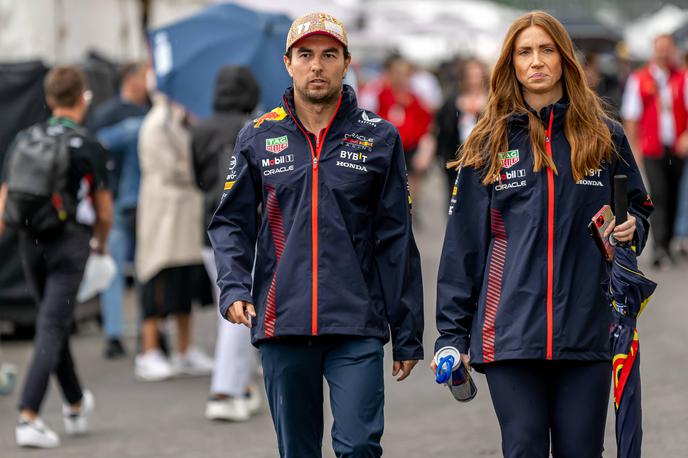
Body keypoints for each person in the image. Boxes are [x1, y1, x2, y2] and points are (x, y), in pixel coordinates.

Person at [433, 11, 653, 458]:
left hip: (588, 331)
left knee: (582, 451)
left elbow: (638, 208)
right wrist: (451, 336)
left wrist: (634, 228)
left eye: (546, 50)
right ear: (510, 64)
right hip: (509, 334)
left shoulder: (603, 136)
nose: (537, 61)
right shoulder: (487, 143)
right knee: (524, 447)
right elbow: (463, 247)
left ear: (564, 59)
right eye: (525, 52)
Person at [209, 12, 423, 457]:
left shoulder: (379, 138)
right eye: (306, 55)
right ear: (288, 62)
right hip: (282, 324)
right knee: (298, 450)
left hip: (357, 323)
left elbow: (396, 239)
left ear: (346, 63)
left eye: (329, 55)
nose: (317, 66)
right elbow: (230, 222)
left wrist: (407, 332)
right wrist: (232, 287)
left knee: (360, 446)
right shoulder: (257, 136)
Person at [0, 66, 113, 448]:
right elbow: (104, 210)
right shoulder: (88, 144)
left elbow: (5, 199)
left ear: (49, 99)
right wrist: (100, 245)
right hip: (69, 244)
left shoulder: (24, 138)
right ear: (82, 98)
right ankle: (28, 416)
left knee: (54, 321)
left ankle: (75, 403)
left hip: (28, 242)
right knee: (51, 324)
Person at [191, 66, 262, 421]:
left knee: (231, 304)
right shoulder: (255, 129)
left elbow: (197, 177)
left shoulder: (199, 129)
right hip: (248, 228)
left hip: (208, 226)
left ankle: (242, 386)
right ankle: (224, 390)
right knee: (239, 309)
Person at [134, 91, 213, 381]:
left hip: (183, 215)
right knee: (157, 280)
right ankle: (149, 350)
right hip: (164, 215)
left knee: (184, 282)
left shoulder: (180, 122)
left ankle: (184, 350)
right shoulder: (157, 124)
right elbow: (173, 168)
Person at [87, 61, 149, 359]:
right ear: (129, 78)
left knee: (136, 268)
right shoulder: (120, 114)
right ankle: (124, 333)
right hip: (119, 200)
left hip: (129, 200)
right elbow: (93, 150)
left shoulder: (140, 112)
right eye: (143, 75)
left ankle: (139, 332)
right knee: (129, 268)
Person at [621, 34, 687, 269]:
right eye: (659, 49)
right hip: (652, 148)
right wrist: (634, 150)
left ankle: (668, 242)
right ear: (653, 51)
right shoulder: (640, 79)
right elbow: (631, 118)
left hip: (676, 149)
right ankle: (659, 247)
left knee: (674, 195)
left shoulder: (682, 77)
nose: (663, 53)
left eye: (667, 49)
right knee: (658, 194)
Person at [431, 58, 489, 198]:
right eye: (470, 76)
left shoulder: (492, 101)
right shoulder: (452, 101)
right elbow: (442, 130)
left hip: (487, 160)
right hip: (457, 160)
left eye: (478, 76)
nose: (474, 81)